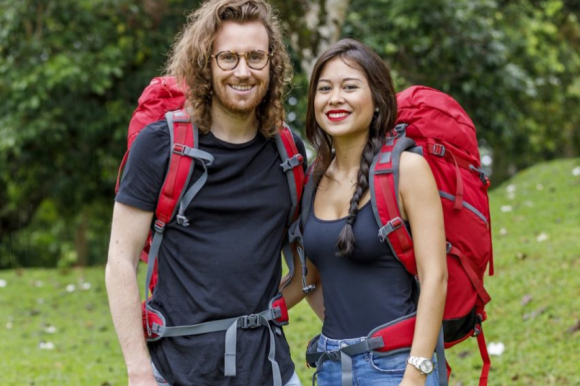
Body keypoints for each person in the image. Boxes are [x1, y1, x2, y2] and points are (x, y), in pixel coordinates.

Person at [105, 1, 305, 385]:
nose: (243, 71)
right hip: (175, 371)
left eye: (256, 57)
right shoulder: (159, 145)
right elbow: (120, 261)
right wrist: (138, 371)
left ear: (272, 63)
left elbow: (308, 261)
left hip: (269, 369)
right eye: (228, 57)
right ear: (205, 63)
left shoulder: (288, 151)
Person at [286, 39, 448, 386]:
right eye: (324, 88)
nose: (335, 98)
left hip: (395, 367)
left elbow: (435, 277)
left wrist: (416, 373)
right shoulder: (313, 179)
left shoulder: (408, 169)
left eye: (350, 87)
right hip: (330, 366)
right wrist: (240, 316)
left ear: (377, 101)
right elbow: (309, 278)